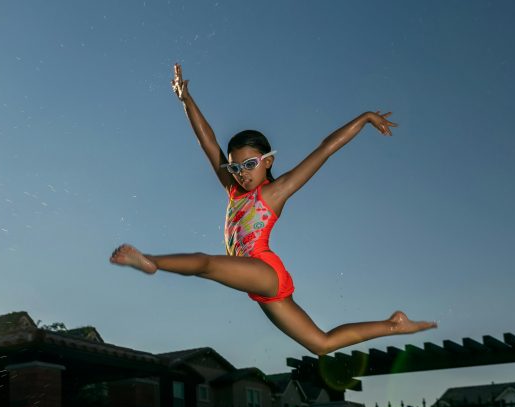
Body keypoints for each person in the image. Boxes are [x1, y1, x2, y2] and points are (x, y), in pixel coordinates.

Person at [110, 64, 436, 356]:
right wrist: (186, 100)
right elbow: (208, 142)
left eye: (250, 164)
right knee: (321, 345)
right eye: (236, 167)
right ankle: (394, 324)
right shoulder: (233, 189)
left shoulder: (275, 192)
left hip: (262, 270)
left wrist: (364, 117)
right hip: (261, 287)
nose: (242, 172)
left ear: (268, 161)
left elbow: (325, 149)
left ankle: (152, 262)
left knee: (206, 264)